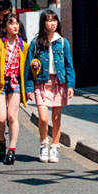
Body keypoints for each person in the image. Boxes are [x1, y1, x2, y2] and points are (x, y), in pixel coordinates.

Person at [0, 13, 30, 165]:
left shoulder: (24, 46)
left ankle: (12, 149)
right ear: (5, 26)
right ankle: (1, 140)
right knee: (1, 117)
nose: (15, 26)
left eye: (17, 23)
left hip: (15, 83)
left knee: (12, 116)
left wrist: (29, 88)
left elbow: (27, 68)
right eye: (11, 23)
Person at [27, 9, 75, 163]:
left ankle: (54, 147)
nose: (52, 23)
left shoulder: (62, 42)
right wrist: (28, 89)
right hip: (41, 83)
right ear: (43, 23)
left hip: (58, 83)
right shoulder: (35, 43)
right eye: (49, 20)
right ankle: (44, 144)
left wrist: (70, 85)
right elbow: (28, 67)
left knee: (56, 118)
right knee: (43, 117)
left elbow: (69, 65)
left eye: (54, 20)